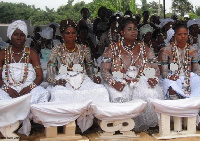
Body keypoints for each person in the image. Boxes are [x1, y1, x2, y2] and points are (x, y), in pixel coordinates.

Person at [101, 17, 163, 131]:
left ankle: (141, 125)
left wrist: (154, 78)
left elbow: (155, 68)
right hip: (118, 79)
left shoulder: (145, 48)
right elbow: (104, 70)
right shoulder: (112, 48)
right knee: (117, 95)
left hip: (141, 79)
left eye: (135, 29)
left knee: (150, 92)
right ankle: (119, 125)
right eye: (129, 29)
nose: (133, 31)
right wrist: (113, 83)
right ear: (122, 32)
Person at [46, 19, 109, 132]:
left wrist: (95, 76)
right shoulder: (56, 50)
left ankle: (94, 121)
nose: (71, 35)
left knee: (101, 90)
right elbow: (50, 74)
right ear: (62, 34)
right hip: (63, 79)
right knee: (58, 93)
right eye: (67, 33)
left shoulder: (84, 49)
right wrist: (55, 82)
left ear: (77, 34)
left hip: (82, 79)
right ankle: (65, 123)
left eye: (73, 33)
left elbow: (90, 68)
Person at [0, 20, 50, 135]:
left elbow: (39, 76)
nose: (19, 38)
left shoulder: (32, 53)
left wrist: (29, 88)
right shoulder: (2, 54)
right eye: (16, 34)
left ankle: (18, 116)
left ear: (25, 37)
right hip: (8, 89)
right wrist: (7, 89)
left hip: (28, 90)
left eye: (22, 35)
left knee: (44, 94)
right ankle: (13, 120)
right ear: (10, 36)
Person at [158, 23, 200, 100]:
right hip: (172, 75)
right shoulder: (166, 50)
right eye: (180, 34)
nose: (183, 36)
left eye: (185, 34)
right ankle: (177, 108)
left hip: (188, 76)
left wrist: (195, 74)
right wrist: (170, 77)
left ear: (188, 35)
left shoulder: (193, 50)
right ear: (175, 35)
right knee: (171, 85)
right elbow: (163, 72)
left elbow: (196, 70)